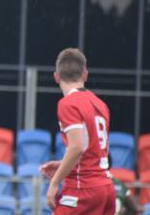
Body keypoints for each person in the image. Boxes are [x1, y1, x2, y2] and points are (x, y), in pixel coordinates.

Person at [39, 48, 115, 214]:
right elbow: (92, 151)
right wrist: (62, 166)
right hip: (105, 187)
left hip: (83, 190)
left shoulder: (68, 104)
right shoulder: (101, 104)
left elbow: (77, 147)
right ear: (85, 75)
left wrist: (54, 182)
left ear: (56, 76)